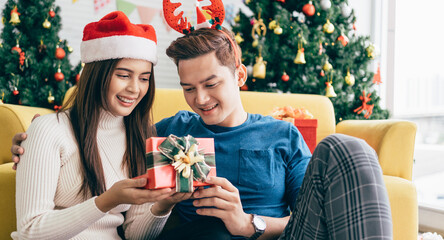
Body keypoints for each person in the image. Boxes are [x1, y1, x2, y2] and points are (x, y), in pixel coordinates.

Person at [11, 19, 393, 240]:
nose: (201, 99)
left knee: (346, 147)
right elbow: (100, 137)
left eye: (211, 84)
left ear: (239, 75)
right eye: (189, 88)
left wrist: (249, 224)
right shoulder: (162, 133)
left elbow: (313, 215)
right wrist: (32, 141)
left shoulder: (283, 135)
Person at [10, 11, 193, 240]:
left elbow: (135, 235)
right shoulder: (49, 130)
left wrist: (163, 205)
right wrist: (107, 201)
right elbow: (29, 231)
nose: (135, 89)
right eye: (124, 75)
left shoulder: (141, 136)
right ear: (97, 74)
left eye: (144, 78)